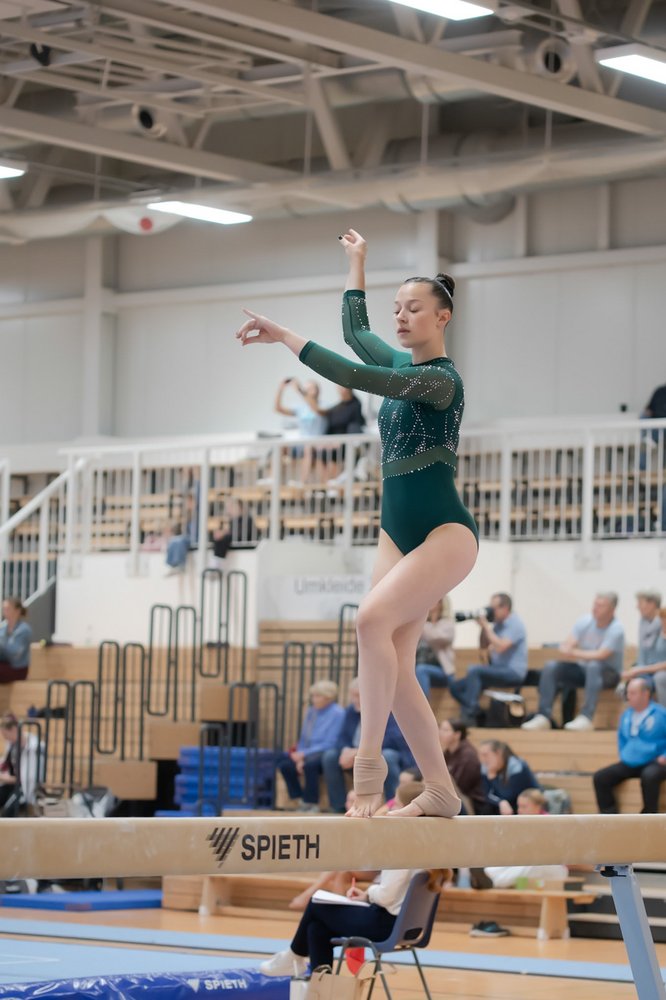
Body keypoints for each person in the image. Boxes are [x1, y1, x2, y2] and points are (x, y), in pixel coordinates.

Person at [236, 227, 478, 820]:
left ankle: (368, 767)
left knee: (369, 620)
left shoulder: (440, 380)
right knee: (393, 659)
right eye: (397, 308)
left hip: (445, 534)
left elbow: (356, 373)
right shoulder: (399, 360)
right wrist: (357, 261)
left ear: (442, 317)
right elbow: (355, 333)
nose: (401, 317)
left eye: (413, 308)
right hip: (396, 531)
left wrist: (286, 338)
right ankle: (440, 789)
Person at [260, 783, 447, 977]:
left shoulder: (403, 847)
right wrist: (366, 896)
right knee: (317, 929)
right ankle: (319, 986)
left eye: (396, 804)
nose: (391, 809)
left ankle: (293, 956)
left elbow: (387, 897)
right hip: (407, 927)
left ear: (411, 810)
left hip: (386, 925)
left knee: (316, 904)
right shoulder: (427, 844)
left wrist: (370, 893)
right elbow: (395, 894)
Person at [521, 593, 625, 732]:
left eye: (601, 606)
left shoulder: (616, 629)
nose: (595, 608)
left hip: (608, 674)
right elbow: (567, 645)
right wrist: (572, 650)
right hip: (584, 670)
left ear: (612, 609)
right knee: (552, 667)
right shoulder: (585, 621)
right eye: (595, 604)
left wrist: (574, 652)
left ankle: (586, 717)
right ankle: (543, 716)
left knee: (593, 665)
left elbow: (601, 655)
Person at [321, 678, 413, 814]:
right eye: (352, 695)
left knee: (388, 756)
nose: (354, 700)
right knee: (330, 756)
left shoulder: (388, 709)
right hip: (356, 753)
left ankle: (392, 804)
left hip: (385, 753)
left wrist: (359, 751)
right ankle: (338, 807)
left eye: (358, 695)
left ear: (370, 695)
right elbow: (342, 737)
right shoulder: (351, 710)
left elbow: (393, 740)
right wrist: (346, 750)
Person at [449, 593, 527, 724]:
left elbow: (501, 647)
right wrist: (482, 628)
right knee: (455, 687)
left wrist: (486, 625)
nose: (491, 611)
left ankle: (469, 715)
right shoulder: (497, 625)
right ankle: (476, 711)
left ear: (505, 608)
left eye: (493, 608)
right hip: (496, 670)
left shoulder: (516, 624)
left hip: (513, 672)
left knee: (475, 670)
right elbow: (484, 647)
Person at [593, 677, 666, 814]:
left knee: (650, 776)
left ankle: (649, 816)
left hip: (655, 761)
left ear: (645, 694)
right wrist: (624, 754)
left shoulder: (660, 714)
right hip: (630, 761)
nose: (628, 697)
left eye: (633, 693)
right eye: (628, 693)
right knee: (601, 777)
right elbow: (622, 739)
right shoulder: (626, 715)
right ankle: (609, 816)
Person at [277, 680, 345, 813]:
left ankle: (311, 802)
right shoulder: (311, 712)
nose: (314, 699)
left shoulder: (338, 713)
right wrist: (300, 755)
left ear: (328, 697)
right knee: (283, 763)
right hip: (307, 752)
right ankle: (299, 798)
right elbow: (304, 738)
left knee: (310, 765)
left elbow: (331, 743)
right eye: (313, 696)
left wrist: (305, 755)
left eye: (318, 696)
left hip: (323, 751)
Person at [483, 789, 568, 889]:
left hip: (551, 867)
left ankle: (493, 882)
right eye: (518, 806)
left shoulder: (549, 822)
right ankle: (484, 876)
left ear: (537, 807)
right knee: (496, 867)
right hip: (528, 861)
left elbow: (552, 853)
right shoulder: (520, 823)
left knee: (531, 866)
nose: (519, 810)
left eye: (524, 807)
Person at [275, 377, 327, 483]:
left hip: (316, 444)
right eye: (306, 389)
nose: (307, 391)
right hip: (301, 444)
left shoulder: (324, 405)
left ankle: (302, 483)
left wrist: (300, 390)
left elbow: (316, 410)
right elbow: (278, 409)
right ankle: (274, 481)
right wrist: (281, 389)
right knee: (280, 448)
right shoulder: (301, 408)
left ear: (318, 391)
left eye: (311, 388)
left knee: (308, 448)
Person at [622, 597, 666, 706]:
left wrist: (640, 669)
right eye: (662, 620)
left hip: (658, 672)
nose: (663, 624)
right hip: (652, 670)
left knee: (659, 677)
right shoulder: (659, 634)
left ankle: (662, 712)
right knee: (636, 681)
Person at [478, 739, 539, 815]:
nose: (483, 759)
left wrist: (493, 779)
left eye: (485, 755)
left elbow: (508, 795)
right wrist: (500, 802)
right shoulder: (485, 768)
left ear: (498, 753)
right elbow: (487, 794)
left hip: (528, 804)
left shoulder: (516, 766)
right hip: (509, 804)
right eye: (481, 755)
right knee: (487, 808)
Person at [438, 719, 486, 814]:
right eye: (440, 729)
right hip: (455, 798)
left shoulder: (468, 755)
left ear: (457, 735)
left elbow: (460, 786)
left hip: (471, 803)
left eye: (445, 730)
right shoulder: (448, 752)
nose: (440, 733)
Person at [414, 597, 456, 700]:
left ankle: (423, 706)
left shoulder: (447, 624)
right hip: (420, 669)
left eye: (435, 599)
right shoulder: (423, 625)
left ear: (441, 604)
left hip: (443, 672)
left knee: (421, 670)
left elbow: (434, 637)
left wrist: (419, 623)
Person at [0, 712, 40, 814]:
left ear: (14, 729)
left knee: (7, 814)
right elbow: (5, 763)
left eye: (5, 735)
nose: (5, 738)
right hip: (11, 784)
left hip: (24, 788)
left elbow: (26, 779)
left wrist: (4, 778)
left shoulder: (32, 748)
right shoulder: (12, 745)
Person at [210, 498, 257, 568]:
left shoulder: (247, 519)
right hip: (235, 539)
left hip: (245, 540)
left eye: (232, 506)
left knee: (225, 538)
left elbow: (240, 534)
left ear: (240, 507)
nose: (229, 509)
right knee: (219, 539)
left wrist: (224, 533)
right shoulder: (233, 520)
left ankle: (217, 562)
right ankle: (216, 561)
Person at [0, 597, 32, 683]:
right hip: (4, 665)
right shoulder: (2, 629)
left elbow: (15, 654)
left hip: (17, 668)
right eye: (4, 609)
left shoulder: (24, 630)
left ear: (17, 611)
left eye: (8, 608)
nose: (5, 611)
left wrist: (1, 646)